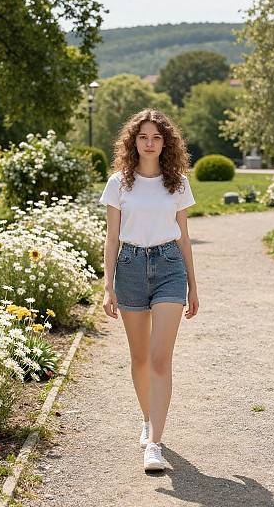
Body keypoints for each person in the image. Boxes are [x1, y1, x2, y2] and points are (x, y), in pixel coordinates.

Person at [98, 108, 200, 472]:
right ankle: (147, 419)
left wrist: (193, 285)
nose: (150, 143)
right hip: (130, 267)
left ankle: (154, 443)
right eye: (143, 136)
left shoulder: (178, 183)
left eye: (156, 137)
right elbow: (111, 238)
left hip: (170, 267)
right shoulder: (118, 184)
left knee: (160, 360)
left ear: (166, 142)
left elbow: (185, 238)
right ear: (133, 141)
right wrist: (107, 286)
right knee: (139, 358)